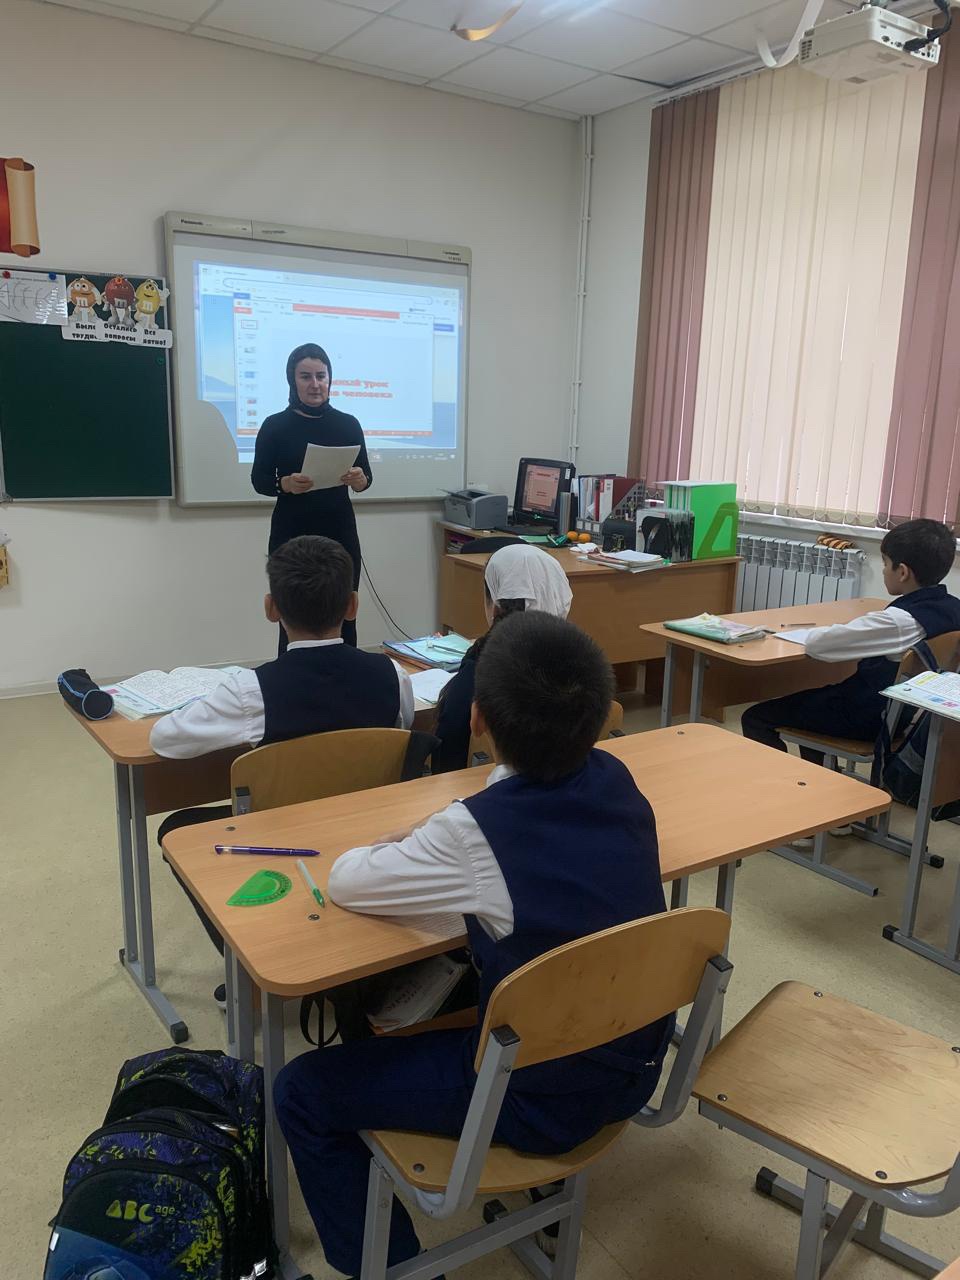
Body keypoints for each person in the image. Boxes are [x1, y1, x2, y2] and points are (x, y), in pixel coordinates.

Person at [274, 611, 672, 1279]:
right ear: (601, 716)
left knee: (301, 1091)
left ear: (478, 718)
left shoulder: (473, 832)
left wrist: (424, 833)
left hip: (540, 1097)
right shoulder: (619, 778)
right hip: (635, 1063)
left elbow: (346, 881)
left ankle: (384, 1266)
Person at [151, 536, 414, 997]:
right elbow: (402, 729)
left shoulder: (250, 691)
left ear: (271, 608)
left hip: (280, 837)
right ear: (352, 606)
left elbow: (164, 740)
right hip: (365, 828)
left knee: (177, 827)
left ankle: (250, 967)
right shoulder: (393, 676)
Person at [742, 519, 960, 762]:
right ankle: (822, 776)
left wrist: (841, 629)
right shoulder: (953, 608)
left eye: (885, 563)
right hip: (905, 716)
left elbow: (818, 645)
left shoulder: (897, 622)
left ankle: (777, 781)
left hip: (866, 717)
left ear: (902, 572)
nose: (883, 570)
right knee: (813, 705)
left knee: (756, 717)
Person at [251, 342, 371, 650]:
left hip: (339, 531)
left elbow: (365, 478)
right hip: (291, 533)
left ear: (330, 378)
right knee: (292, 613)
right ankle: (292, 674)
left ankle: (346, 672)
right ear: (292, 380)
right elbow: (259, 480)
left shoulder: (348, 424)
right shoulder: (275, 425)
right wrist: (285, 484)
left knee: (344, 614)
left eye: (321, 375)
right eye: (305, 376)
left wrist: (359, 480)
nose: (315, 384)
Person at [432, 543, 573, 773]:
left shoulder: (479, 672)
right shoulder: (580, 670)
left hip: (478, 789)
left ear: (495, 606)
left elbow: (448, 751)